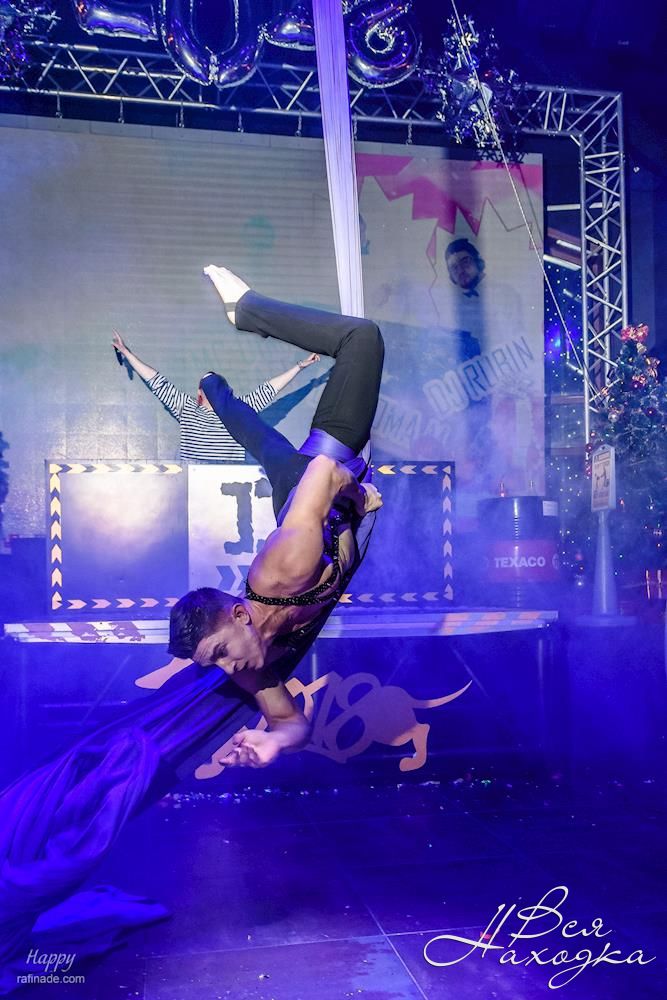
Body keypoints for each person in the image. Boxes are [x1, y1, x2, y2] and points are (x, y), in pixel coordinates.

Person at [0, 271, 384, 972]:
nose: (233, 669)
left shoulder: (282, 568)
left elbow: (327, 480)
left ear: (239, 613)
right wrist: (272, 743)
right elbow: (292, 723)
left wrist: (358, 498)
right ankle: (217, 390)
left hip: (318, 489)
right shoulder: (257, 665)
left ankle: (247, 310)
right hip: (303, 495)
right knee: (263, 443)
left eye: (224, 653)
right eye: (218, 666)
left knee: (361, 340)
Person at [111, 330, 320, 463]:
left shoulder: (236, 411)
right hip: (192, 482)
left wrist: (299, 367)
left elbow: (269, 389)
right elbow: (157, 381)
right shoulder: (186, 407)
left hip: (227, 484)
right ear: (199, 392)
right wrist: (127, 353)